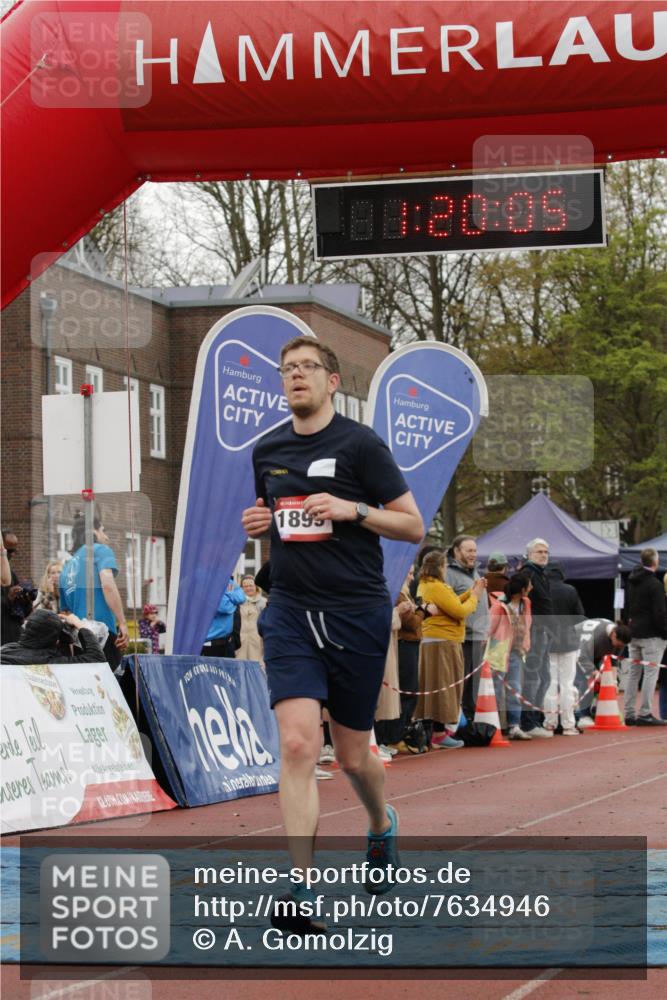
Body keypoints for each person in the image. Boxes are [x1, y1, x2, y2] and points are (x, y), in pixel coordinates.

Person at [242, 335, 423, 928]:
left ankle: (380, 824)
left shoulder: (361, 445)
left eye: (307, 367)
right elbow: (278, 520)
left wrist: (354, 510)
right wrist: (261, 522)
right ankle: (301, 888)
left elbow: (413, 526)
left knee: (351, 754)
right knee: (298, 744)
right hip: (292, 611)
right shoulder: (267, 449)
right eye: (287, 368)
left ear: (332, 381)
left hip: (354, 614)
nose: (296, 376)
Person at [415, 549, 484, 748]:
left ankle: (435, 732)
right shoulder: (436, 587)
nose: (446, 569)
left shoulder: (427, 585)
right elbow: (459, 611)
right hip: (443, 641)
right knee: (444, 687)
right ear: (439, 568)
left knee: (435, 686)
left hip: (435, 640)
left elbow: (451, 604)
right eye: (445, 565)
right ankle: (439, 733)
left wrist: (470, 592)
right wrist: (475, 596)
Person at [59, 514, 129, 668]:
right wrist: (122, 623)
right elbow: (108, 585)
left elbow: (65, 611)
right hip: (102, 632)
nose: (106, 537)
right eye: (103, 530)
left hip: (79, 638)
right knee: (108, 681)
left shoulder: (66, 567)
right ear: (93, 532)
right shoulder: (99, 550)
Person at [447, 535, 489, 721]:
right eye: (469, 550)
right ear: (456, 551)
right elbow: (449, 605)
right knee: (459, 685)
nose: (473, 554)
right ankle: (454, 724)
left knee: (474, 687)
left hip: (478, 637)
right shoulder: (449, 574)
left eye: (475, 550)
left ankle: (470, 723)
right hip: (461, 638)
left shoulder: (475, 573)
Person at [623, 548, 667, 726]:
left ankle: (629, 712)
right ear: (655, 562)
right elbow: (659, 613)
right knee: (650, 674)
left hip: (634, 633)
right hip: (652, 636)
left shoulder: (631, 581)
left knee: (633, 674)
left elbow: (626, 607)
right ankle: (645, 713)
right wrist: (665, 632)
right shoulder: (655, 585)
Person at [487, 572, 533, 740]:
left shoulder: (526, 603)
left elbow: (527, 624)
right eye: (529, 585)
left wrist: (525, 644)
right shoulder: (499, 606)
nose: (532, 588)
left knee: (515, 688)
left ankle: (514, 725)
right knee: (496, 688)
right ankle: (493, 725)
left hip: (516, 651)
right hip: (499, 650)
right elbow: (489, 627)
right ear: (522, 589)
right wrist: (487, 649)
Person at [544, 562, 586, 735]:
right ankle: (568, 724)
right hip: (568, 640)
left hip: (547, 640)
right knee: (567, 684)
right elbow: (580, 616)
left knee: (550, 684)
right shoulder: (570, 590)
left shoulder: (542, 590)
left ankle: (550, 723)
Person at [518, 538, 554, 737]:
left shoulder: (541, 574)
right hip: (533, 631)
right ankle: (528, 722)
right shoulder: (528, 574)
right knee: (534, 677)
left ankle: (536, 719)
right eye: (539, 551)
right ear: (530, 554)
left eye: (546, 552)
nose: (543, 555)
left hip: (543, 631)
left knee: (545, 677)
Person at [574, 618, 632, 727]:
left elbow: (613, 660)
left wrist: (613, 682)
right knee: (587, 681)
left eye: (622, 646)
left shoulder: (619, 640)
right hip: (575, 649)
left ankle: (595, 710)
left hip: (593, 653)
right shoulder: (596, 636)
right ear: (614, 635)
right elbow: (582, 657)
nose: (619, 647)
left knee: (606, 680)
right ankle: (583, 715)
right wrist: (595, 673)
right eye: (619, 645)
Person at [0, 608, 106, 664]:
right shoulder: (51, 660)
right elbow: (97, 658)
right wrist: (79, 624)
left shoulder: (6, 650)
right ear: (55, 640)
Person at [1, 529, 35, 644]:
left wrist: (25, 600)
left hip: (14, 639)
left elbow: (22, 613)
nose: (13, 554)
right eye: (9, 551)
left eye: (15, 550)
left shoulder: (11, 574)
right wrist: (8, 599)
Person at [201, 577, 246, 658]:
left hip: (227, 642)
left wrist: (227, 594)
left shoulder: (227, 581)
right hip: (211, 643)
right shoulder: (207, 583)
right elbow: (224, 608)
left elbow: (242, 597)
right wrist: (234, 601)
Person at [235, 574, 267, 662]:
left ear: (256, 587)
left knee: (257, 666)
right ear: (241, 588)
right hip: (240, 642)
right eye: (245, 586)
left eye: (251, 585)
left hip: (258, 642)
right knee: (240, 666)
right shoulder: (237, 603)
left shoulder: (264, 602)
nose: (248, 588)